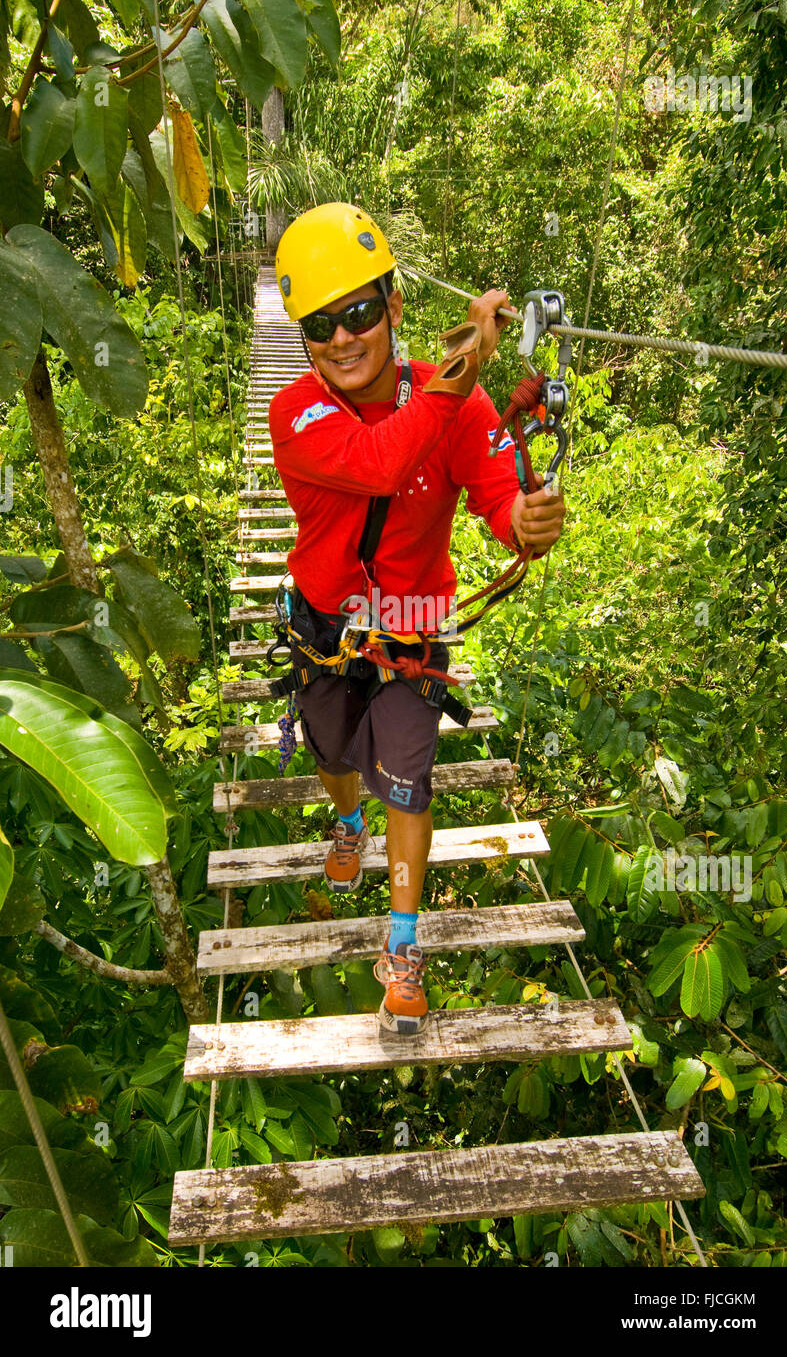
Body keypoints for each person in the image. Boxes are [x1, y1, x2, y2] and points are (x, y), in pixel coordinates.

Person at [270, 203, 566, 1035]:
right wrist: (461, 375)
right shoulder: (295, 412)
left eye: (360, 311)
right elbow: (380, 461)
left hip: (411, 630)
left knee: (407, 777)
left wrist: (523, 525)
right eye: (320, 324)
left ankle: (401, 949)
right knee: (334, 754)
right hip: (324, 631)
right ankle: (343, 815)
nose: (342, 337)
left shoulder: (459, 406)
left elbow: (499, 494)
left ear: (395, 308)